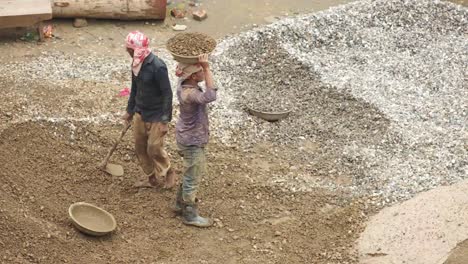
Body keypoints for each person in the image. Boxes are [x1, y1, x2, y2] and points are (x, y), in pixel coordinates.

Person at [123, 31, 176, 189]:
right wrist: (129, 110)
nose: (128, 52)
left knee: (153, 147)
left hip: (156, 115)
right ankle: (150, 177)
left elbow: (167, 93)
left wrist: (165, 120)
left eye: (130, 49)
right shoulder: (136, 64)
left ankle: (168, 171)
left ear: (137, 49)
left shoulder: (158, 67)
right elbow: (135, 89)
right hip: (140, 112)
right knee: (140, 147)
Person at [173, 54, 217, 227]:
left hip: (186, 135)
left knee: (189, 171)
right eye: (198, 71)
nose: (202, 72)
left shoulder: (183, 85)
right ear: (192, 76)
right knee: (193, 175)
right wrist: (207, 68)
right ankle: (189, 214)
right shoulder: (189, 94)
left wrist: (199, 66)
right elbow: (210, 96)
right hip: (192, 140)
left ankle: (178, 204)